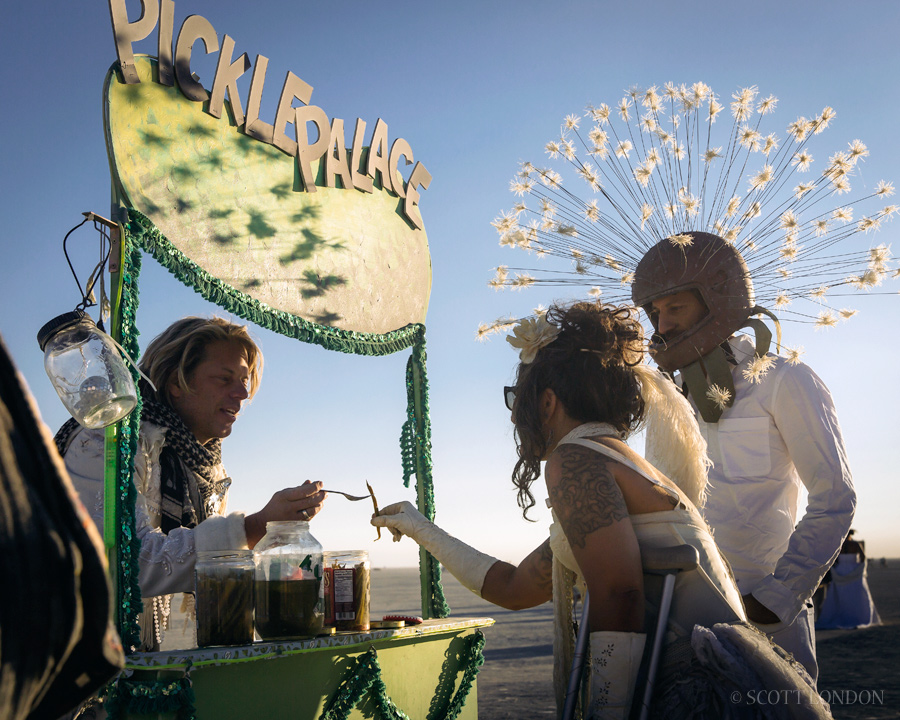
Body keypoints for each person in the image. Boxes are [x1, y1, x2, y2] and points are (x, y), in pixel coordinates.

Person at [372, 302, 827, 719]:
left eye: (518, 401)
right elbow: (514, 588)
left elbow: (619, 594)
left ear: (547, 402)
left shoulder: (577, 461)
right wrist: (419, 527)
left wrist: (606, 712)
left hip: (692, 696)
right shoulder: (618, 462)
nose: (515, 418)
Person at [630, 232, 857, 682]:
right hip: (677, 619)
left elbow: (836, 497)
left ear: (717, 299)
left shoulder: (784, 380)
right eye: (655, 312)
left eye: (675, 307)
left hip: (765, 621)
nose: (662, 324)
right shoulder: (669, 399)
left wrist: (776, 597)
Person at [57, 316, 326, 650]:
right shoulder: (108, 442)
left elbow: (208, 569)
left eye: (244, 381)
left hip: (160, 665)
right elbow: (127, 563)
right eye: (224, 379)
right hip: (77, 663)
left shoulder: (204, 466)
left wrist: (278, 543)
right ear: (177, 384)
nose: (242, 393)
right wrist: (256, 525)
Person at [815, 530, 881, 629]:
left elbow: (834, 559)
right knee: (855, 593)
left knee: (841, 593)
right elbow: (863, 557)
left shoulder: (839, 545)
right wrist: (859, 567)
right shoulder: (855, 544)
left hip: (840, 570)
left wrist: (836, 568)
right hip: (853, 569)